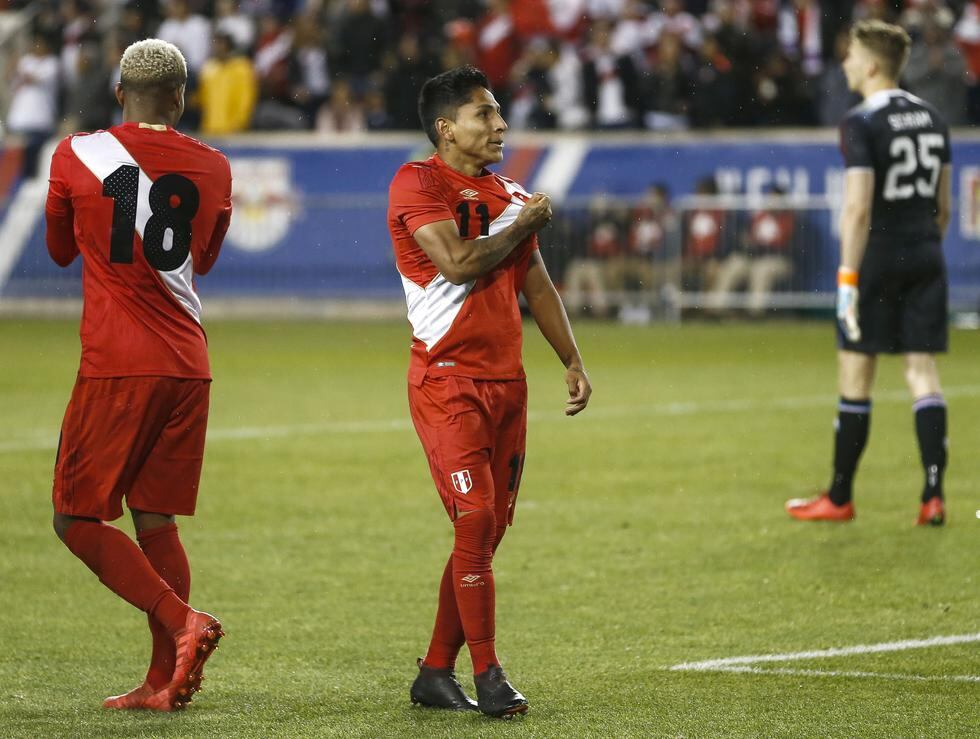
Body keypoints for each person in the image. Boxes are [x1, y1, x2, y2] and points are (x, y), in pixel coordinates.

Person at [387, 65, 591, 718]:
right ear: (446, 128)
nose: (500, 125)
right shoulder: (416, 182)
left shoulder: (507, 191)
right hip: (446, 381)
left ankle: (435, 672)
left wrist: (571, 357)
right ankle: (491, 673)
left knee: (488, 529)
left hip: (507, 386)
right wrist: (523, 222)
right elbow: (458, 262)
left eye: (499, 114)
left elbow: (534, 284)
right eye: (486, 114)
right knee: (474, 520)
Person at [45, 38, 233, 711]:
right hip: (189, 365)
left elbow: (60, 248)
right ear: (182, 98)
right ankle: (164, 679)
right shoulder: (214, 166)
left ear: (119, 93)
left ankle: (184, 620)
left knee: (74, 517)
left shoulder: (76, 153)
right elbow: (203, 260)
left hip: (118, 363)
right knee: (155, 520)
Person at [786, 20, 952, 525]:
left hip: (878, 256)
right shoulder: (933, 118)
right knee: (921, 371)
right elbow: (942, 209)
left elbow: (857, 209)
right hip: (926, 251)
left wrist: (847, 279)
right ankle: (932, 495)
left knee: (858, 373)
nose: (846, 64)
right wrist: (920, 247)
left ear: (873, 64)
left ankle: (839, 497)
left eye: (853, 56)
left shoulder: (861, 121)